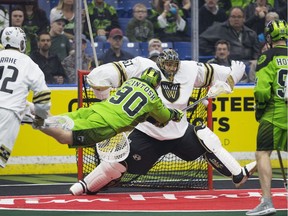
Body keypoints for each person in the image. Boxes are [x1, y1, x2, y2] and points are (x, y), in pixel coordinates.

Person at [69, 49, 257, 195]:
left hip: (180, 134)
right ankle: (86, 186)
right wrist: (103, 95)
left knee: (204, 135)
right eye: (167, 65)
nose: (171, 69)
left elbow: (221, 76)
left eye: (174, 65)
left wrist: (232, 78)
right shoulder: (141, 67)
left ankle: (237, 174)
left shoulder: (189, 69)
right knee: (115, 165)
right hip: (147, 134)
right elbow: (101, 75)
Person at [30, 67, 184, 149]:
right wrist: (175, 114)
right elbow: (164, 117)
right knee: (63, 136)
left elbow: (141, 112)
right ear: (156, 84)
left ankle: (31, 108)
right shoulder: (154, 99)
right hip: (105, 124)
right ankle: (32, 120)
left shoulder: (129, 83)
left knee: (57, 120)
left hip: (96, 109)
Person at [246, 19, 288, 216]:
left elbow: (262, 91)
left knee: (262, 153)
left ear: (269, 37)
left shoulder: (266, 57)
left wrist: (259, 110)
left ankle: (267, 201)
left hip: (274, 112)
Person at [0, 27, 51, 168]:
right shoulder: (28, 63)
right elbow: (43, 98)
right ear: (21, 42)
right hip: (8, 114)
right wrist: (40, 119)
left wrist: (25, 106)